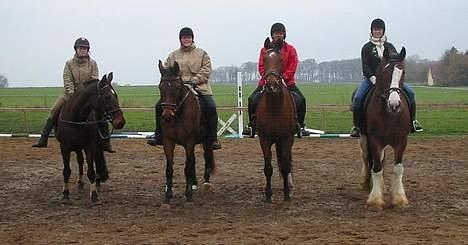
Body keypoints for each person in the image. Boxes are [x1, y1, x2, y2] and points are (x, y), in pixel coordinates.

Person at [32, 37, 114, 152]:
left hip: (87, 96)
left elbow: (94, 80)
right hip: (69, 95)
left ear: (88, 50)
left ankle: (106, 142)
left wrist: (85, 94)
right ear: (76, 49)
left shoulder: (93, 64)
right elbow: (67, 79)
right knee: (53, 110)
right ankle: (43, 139)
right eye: (80, 48)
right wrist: (72, 94)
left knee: (100, 112)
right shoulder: (69, 64)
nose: (82, 50)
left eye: (85, 48)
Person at [147, 27, 221, 150]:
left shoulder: (202, 53)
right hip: (178, 88)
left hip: (199, 87)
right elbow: (166, 70)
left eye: (188, 37)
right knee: (159, 106)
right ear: (180, 39)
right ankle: (158, 135)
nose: (186, 39)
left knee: (211, 106)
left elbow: (206, 69)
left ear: (192, 39)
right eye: (184, 37)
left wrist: (195, 80)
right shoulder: (173, 55)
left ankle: (212, 138)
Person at [349, 18, 423, 137]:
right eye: (375, 29)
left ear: (383, 31)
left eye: (379, 29)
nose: (377, 32)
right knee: (358, 98)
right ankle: (357, 126)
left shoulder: (390, 46)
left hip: (390, 80)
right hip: (371, 79)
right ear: (371, 31)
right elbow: (365, 66)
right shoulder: (366, 47)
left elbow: (396, 62)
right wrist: (372, 78)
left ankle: (413, 122)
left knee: (411, 93)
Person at [243, 22, 310, 138]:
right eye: (276, 33)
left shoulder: (290, 49)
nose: (278, 35)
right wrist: (267, 77)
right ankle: (252, 125)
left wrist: (284, 77)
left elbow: (293, 65)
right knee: (252, 99)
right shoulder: (265, 50)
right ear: (272, 35)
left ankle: (300, 125)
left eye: (280, 33)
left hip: (287, 82)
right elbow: (261, 66)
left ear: (284, 35)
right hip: (267, 81)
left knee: (301, 100)